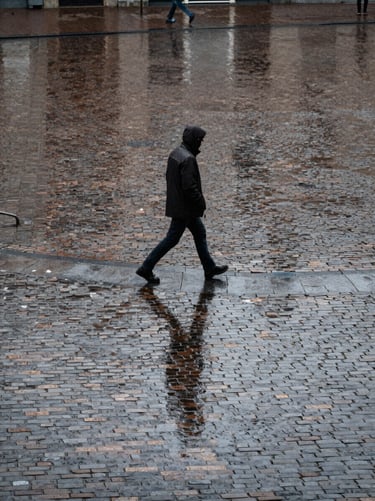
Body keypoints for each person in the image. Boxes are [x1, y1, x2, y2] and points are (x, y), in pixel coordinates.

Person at [136, 125, 228, 285]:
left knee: (199, 232)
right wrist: (201, 202)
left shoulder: (176, 153)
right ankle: (146, 266)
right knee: (171, 239)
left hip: (181, 206)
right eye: (200, 141)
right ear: (195, 140)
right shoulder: (188, 159)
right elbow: (189, 187)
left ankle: (209, 267)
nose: (201, 144)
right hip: (185, 209)